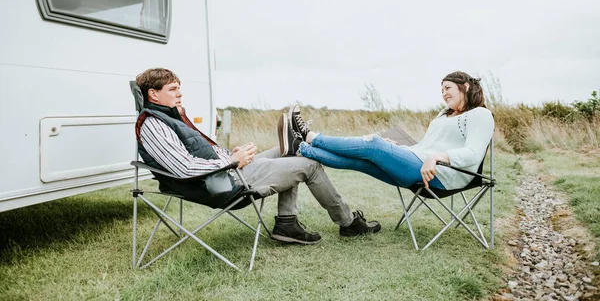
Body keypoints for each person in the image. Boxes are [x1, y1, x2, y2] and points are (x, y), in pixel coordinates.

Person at [134, 68, 381, 246]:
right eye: (173, 89)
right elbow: (185, 168)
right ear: (153, 95)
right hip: (224, 183)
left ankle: (288, 224)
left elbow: (194, 154)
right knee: (310, 164)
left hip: (226, 171)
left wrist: (230, 154)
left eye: (179, 88)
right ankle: (348, 224)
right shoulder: (153, 124)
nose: (179, 93)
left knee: (291, 149)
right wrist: (232, 161)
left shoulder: (170, 117)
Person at [278, 71, 494, 191]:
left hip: (444, 175)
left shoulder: (480, 115)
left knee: (373, 144)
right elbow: (427, 147)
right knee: (362, 161)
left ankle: (309, 136)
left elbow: (473, 153)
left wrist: (437, 157)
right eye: (442, 90)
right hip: (418, 162)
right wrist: (400, 149)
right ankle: (300, 149)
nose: (444, 94)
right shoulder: (443, 114)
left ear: (464, 86)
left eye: (447, 88)